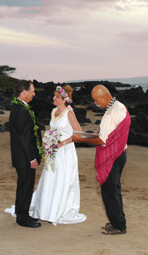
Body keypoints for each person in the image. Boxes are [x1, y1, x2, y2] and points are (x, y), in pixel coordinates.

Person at [73, 85, 131, 235]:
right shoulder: (120, 106)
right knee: (115, 191)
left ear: (104, 97)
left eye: (96, 100)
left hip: (113, 158)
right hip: (121, 154)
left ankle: (119, 226)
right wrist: (88, 135)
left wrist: (81, 139)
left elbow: (102, 141)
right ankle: (117, 220)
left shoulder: (112, 113)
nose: (95, 103)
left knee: (109, 193)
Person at [28, 85, 87, 225]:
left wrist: (63, 142)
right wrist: (46, 140)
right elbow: (52, 129)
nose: (53, 98)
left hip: (65, 152)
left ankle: (59, 210)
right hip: (53, 151)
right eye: (54, 96)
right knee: (50, 178)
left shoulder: (69, 113)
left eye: (57, 97)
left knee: (62, 179)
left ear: (64, 100)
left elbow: (79, 134)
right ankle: (46, 209)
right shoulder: (54, 111)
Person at [9, 80, 42, 228]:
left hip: (20, 157)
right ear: (24, 92)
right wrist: (32, 158)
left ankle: (21, 213)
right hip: (24, 158)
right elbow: (24, 138)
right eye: (32, 90)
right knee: (26, 186)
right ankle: (23, 218)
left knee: (23, 185)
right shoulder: (21, 111)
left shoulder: (17, 107)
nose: (34, 93)